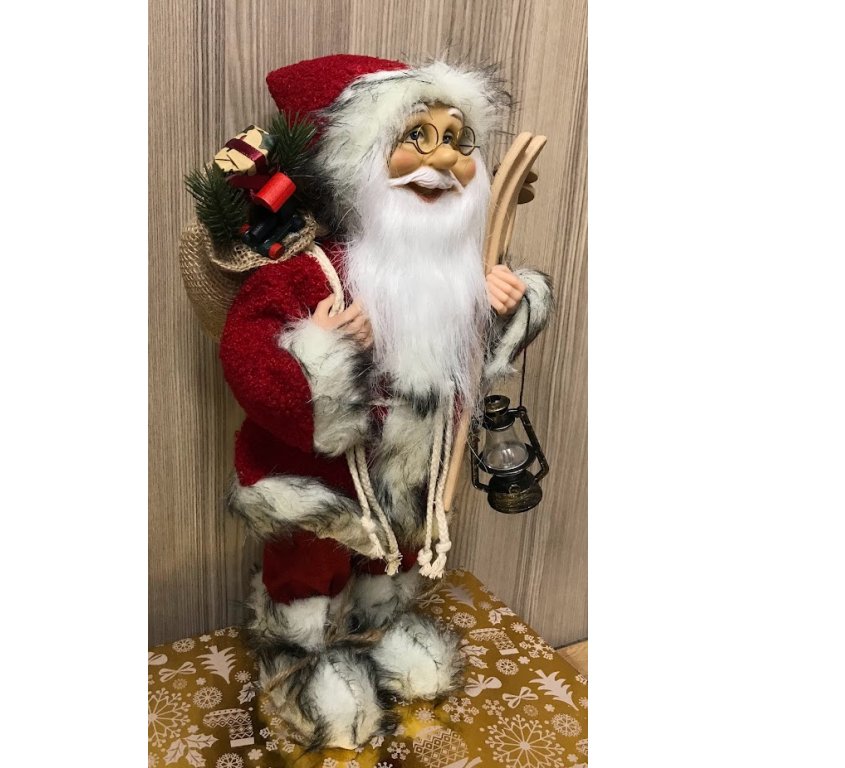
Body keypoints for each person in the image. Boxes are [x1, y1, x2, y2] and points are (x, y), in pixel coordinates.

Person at [218, 54, 553, 749]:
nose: (443, 161)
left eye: (457, 139)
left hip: (406, 471)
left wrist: (495, 310)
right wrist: (322, 350)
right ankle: (302, 663)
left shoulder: (455, 270)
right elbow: (248, 358)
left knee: (392, 558)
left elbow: (467, 365)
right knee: (311, 569)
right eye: (417, 137)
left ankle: (381, 631)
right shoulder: (307, 273)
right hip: (320, 480)